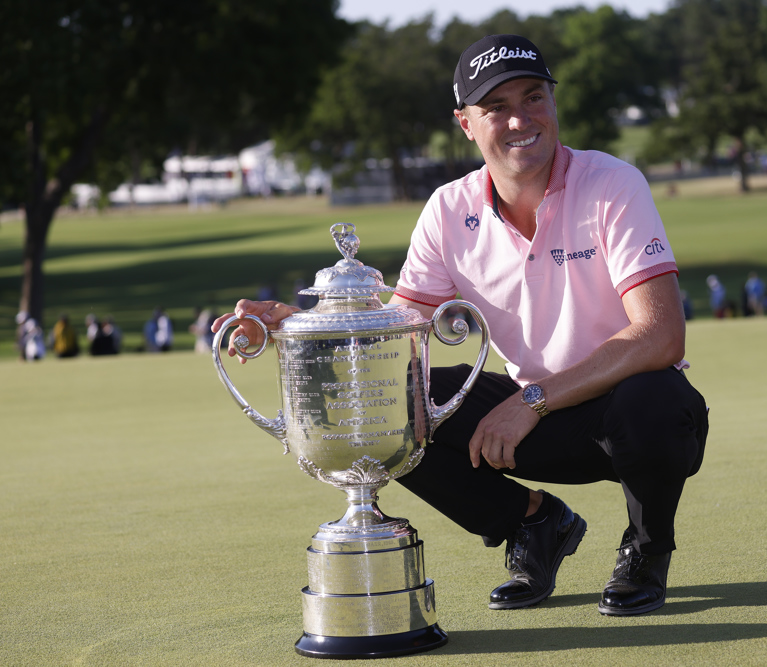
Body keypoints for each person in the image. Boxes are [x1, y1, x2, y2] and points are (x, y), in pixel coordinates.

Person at [213, 34, 708, 617]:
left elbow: (659, 334)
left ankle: (647, 550)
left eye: (534, 97)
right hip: (535, 423)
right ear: (466, 124)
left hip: (628, 416)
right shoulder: (449, 210)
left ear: (553, 102)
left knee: (653, 397)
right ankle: (533, 523)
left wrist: (532, 400)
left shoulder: (611, 183)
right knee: (397, 398)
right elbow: (395, 337)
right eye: (496, 107)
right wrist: (299, 328)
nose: (520, 119)